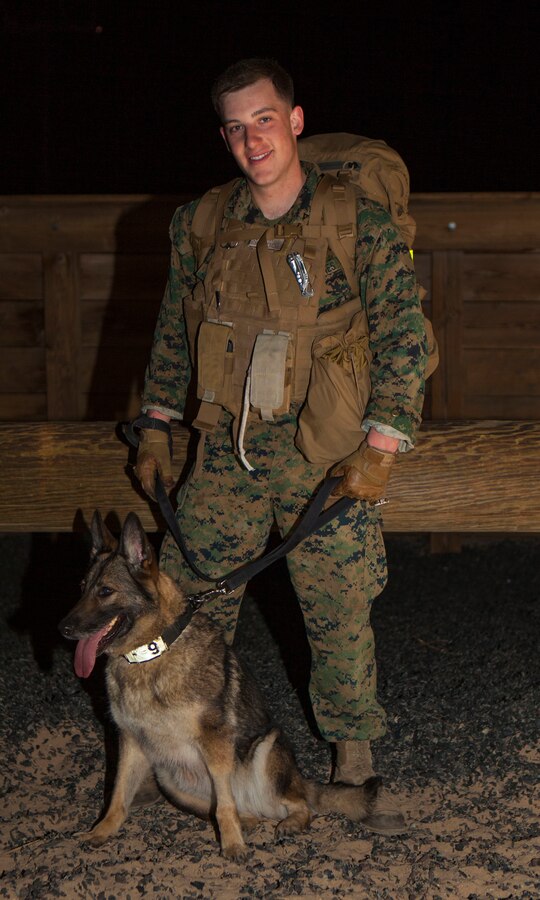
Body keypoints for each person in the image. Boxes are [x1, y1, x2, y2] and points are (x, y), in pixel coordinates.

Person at [133, 58, 428, 833]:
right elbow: (173, 332)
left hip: (325, 451)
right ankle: (186, 743)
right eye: (235, 126)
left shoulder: (351, 219)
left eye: (264, 119)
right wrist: (158, 426)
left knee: (337, 604)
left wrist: (382, 442)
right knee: (191, 594)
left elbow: (405, 335)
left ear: (294, 121)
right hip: (227, 453)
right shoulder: (203, 225)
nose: (250, 139)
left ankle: (353, 752)